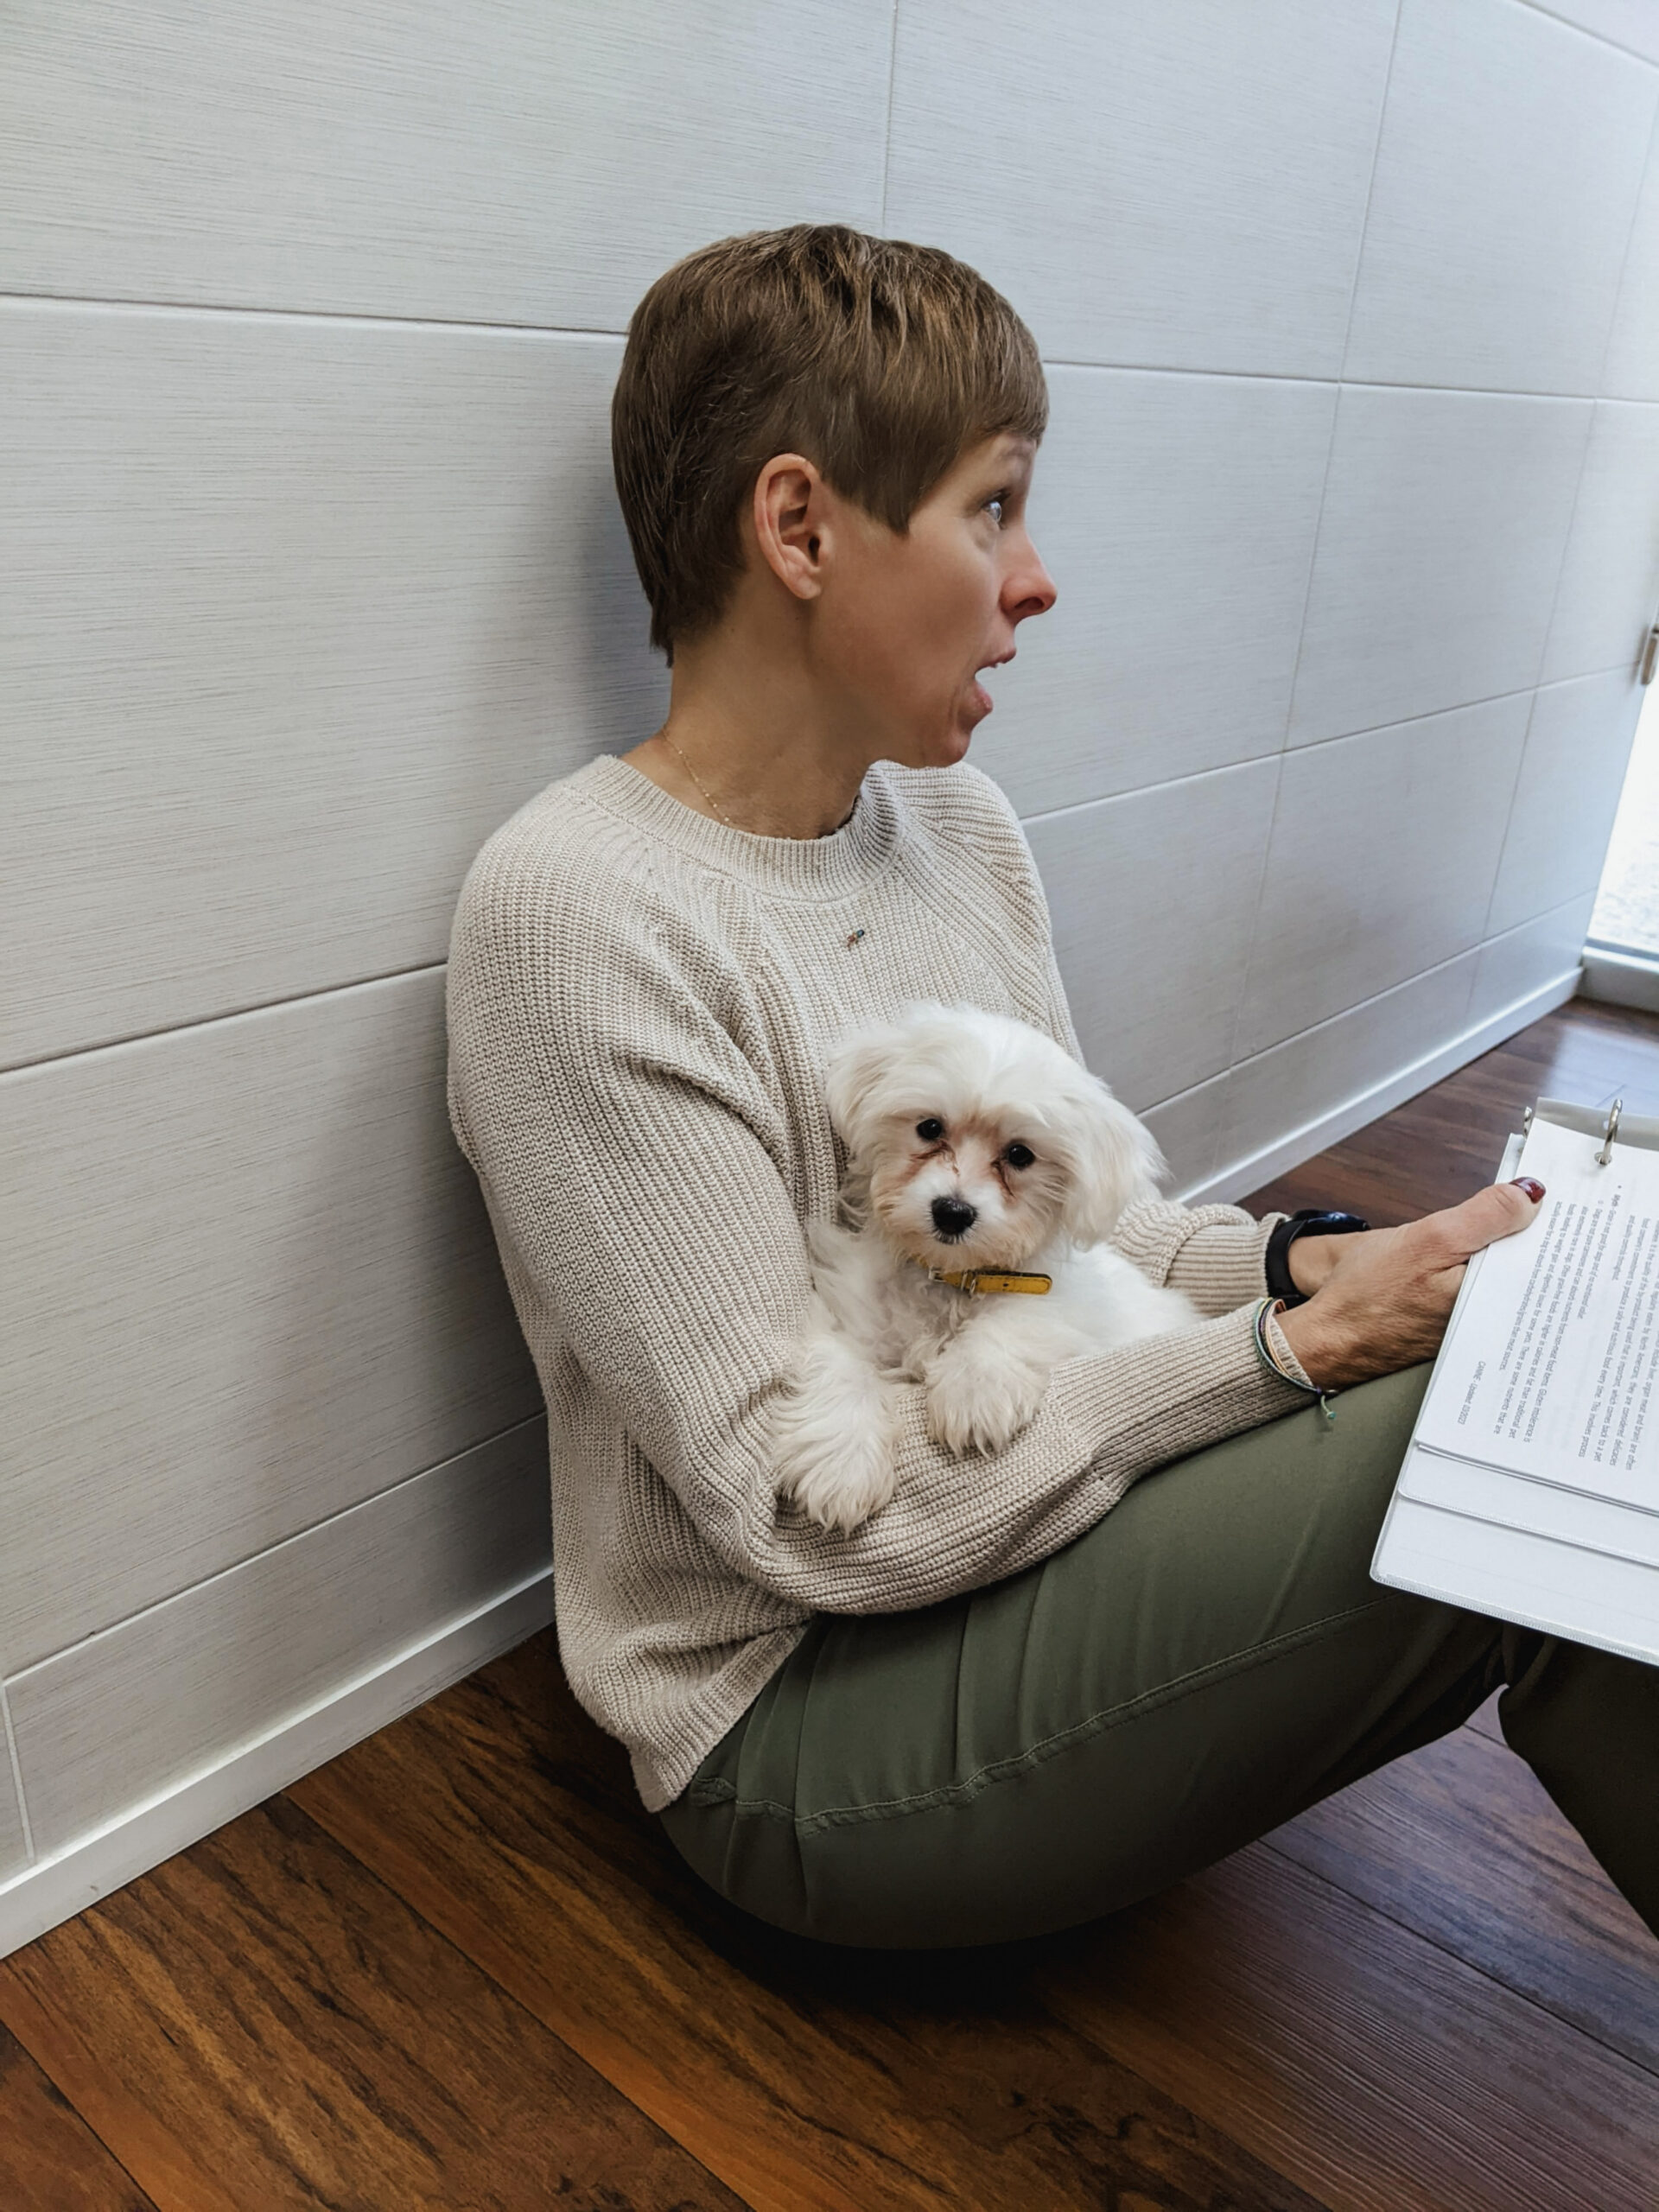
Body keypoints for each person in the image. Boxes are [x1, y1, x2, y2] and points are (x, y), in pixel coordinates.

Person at [445, 224, 1657, 1945]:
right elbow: (804, 1527)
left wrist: (1308, 1265)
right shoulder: (581, 915)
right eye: (993, 507)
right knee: (1477, 1463)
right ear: (799, 527)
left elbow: (1103, 1236)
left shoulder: (959, 829)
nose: (1038, 579)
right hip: (796, 1723)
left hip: (1013, 1549)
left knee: (1521, 1358)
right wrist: (1283, 1358)